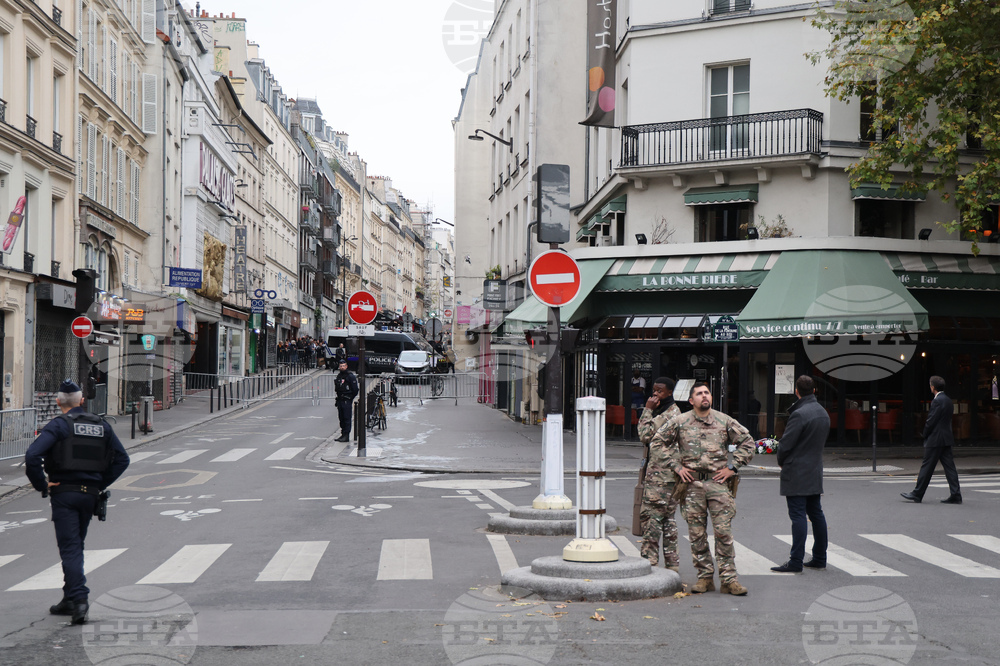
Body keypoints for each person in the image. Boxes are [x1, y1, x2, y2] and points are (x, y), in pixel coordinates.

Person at [24, 380, 130, 624]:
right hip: (89, 495)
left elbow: (32, 455)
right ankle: (69, 598)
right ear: (83, 401)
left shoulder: (59, 425)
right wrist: (99, 484)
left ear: (59, 401)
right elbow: (122, 459)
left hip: (65, 494)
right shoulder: (102, 425)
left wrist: (41, 484)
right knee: (76, 546)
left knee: (70, 547)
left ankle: (80, 599)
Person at [650, 382, 755, 595]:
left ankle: (729, 580)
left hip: (718, 484)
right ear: (691, 400)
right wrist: (676, 466)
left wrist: (732, 467)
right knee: (697, 534)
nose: (704, 396)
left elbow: (748, 442)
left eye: (707, 392)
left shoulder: (724, 421)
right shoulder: (680, 422)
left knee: (723, 533)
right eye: (699, 393)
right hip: (692, 486)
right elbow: (656, 443)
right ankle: (705, 578)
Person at [770, 375, 830, 573]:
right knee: (816, 514)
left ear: (797, 391)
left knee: (798, 516)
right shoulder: (822, 412)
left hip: (796, 471)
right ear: (813, 391)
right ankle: (820, 557)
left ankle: (796, 561)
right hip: (814, 470)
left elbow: (785, 445)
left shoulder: (799, 414)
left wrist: (782, 461)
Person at [637, 377, 682, 570]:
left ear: (670, 393)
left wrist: (647, 409)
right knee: (667, 521)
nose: (655, 394)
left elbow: (644, 434)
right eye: (654, 390)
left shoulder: (670, 413)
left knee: (652, 521)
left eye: (660, 391)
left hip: (661, 478)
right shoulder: (664, 410)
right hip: (665, 475)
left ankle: (650, 564)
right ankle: (672, 567)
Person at [902, 375, 962, 504]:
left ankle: (917, 493)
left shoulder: (937, 401)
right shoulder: (948, 400)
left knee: (927, 467)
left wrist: (925, 433)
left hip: (936, 439)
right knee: (950, 467)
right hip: (946, 438)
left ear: (933, 387)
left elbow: (931, 420)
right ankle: (956, 494)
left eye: (930, 385)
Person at [334, 360, 359, 442]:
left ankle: (346, 435)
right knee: (341, 418)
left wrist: (350, 397)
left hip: (346, 399)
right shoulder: (339, 376)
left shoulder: (350, 376)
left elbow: (355, 389)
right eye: (341, 366)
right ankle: (343, 434)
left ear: (346, 366)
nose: (342, 367)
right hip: (340, 399)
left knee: (346, 417)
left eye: (343, 366)